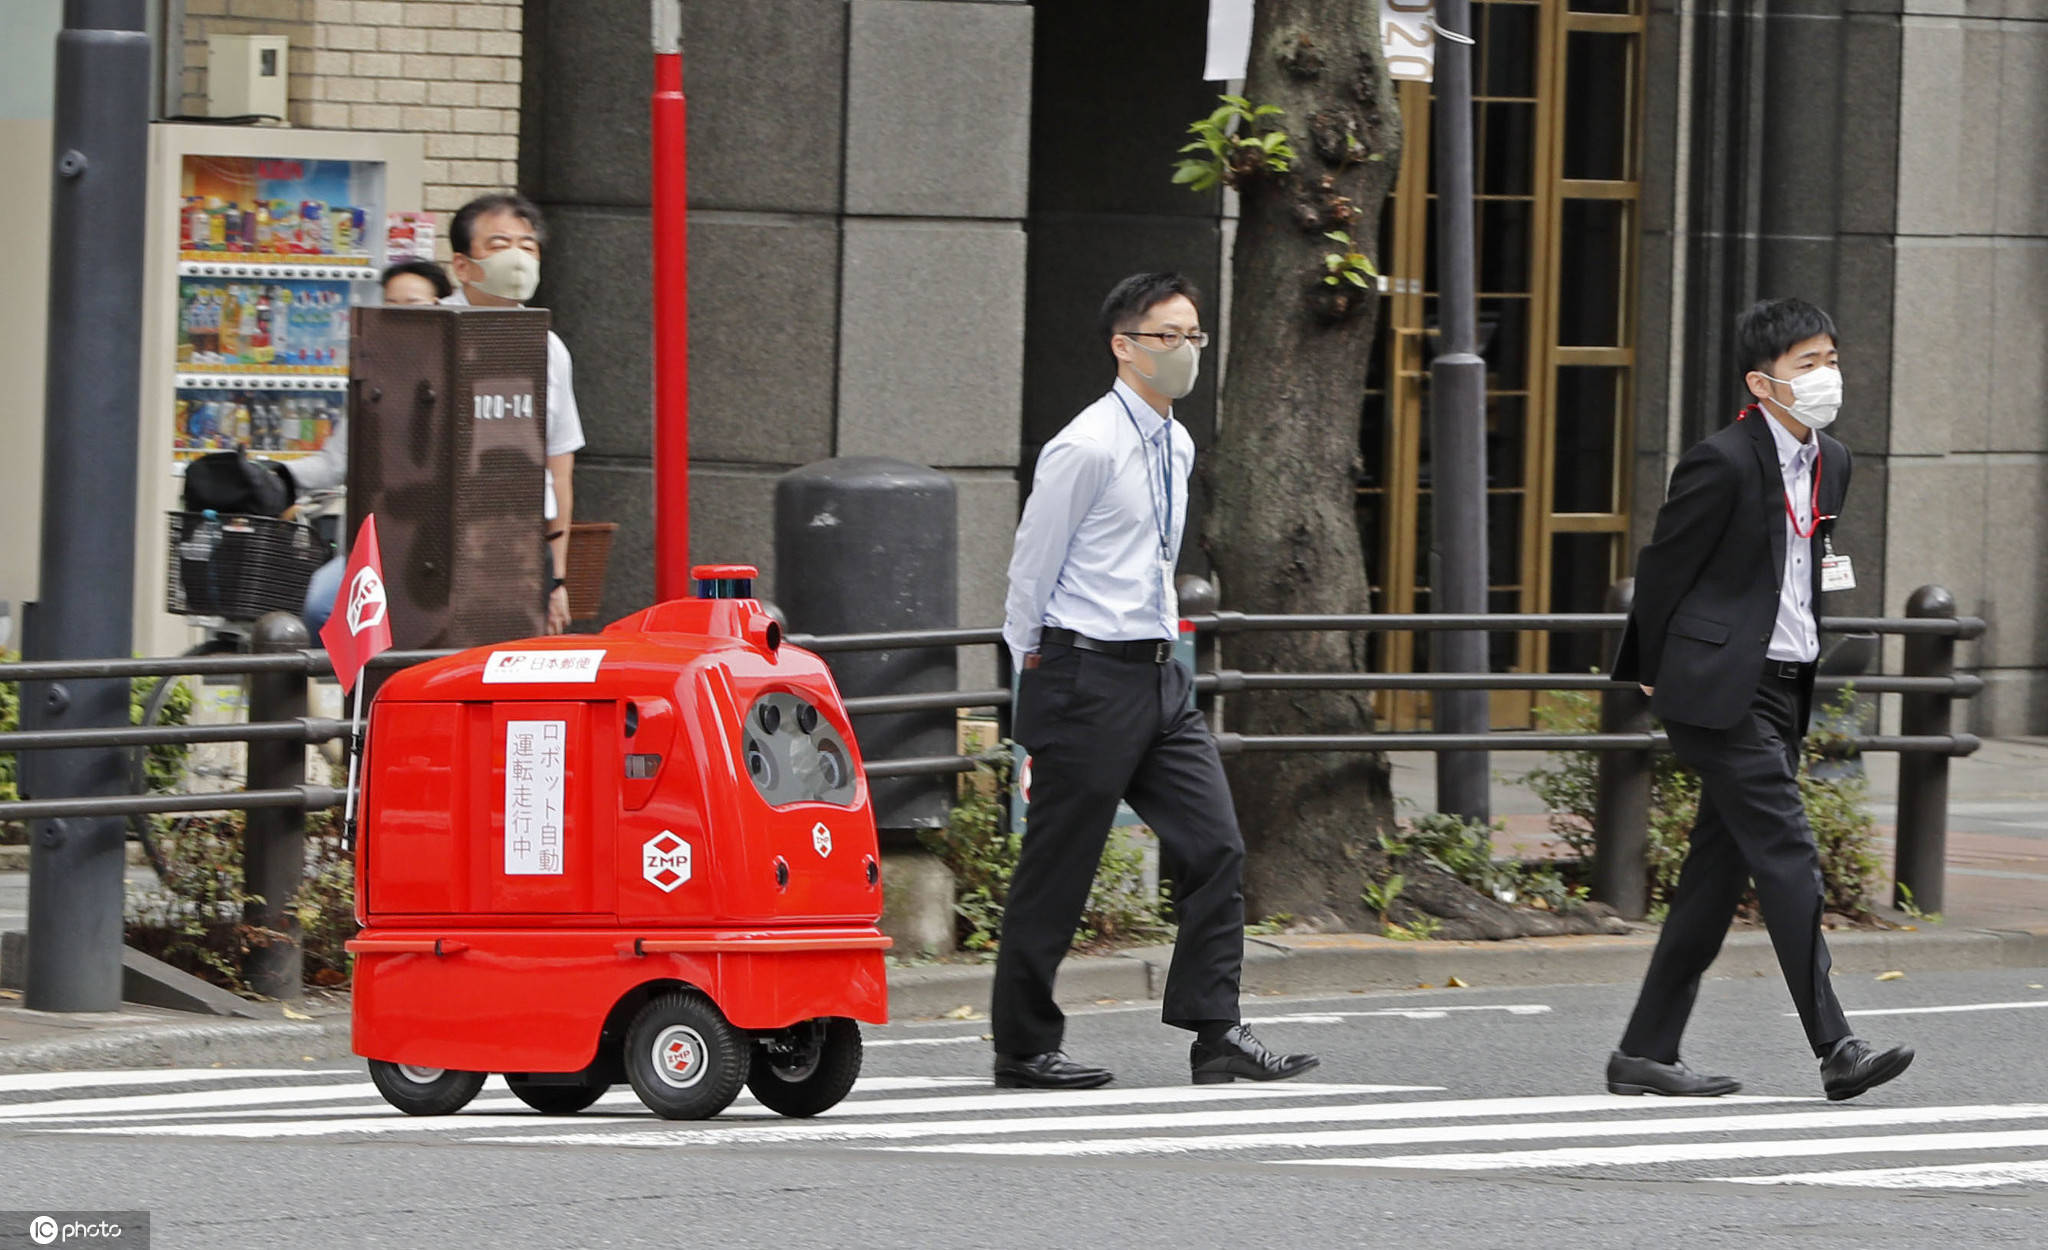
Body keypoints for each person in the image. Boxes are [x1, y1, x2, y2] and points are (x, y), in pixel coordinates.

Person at [992, 272, 1319, 1090]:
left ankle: (1217, 1033)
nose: (1184, 353)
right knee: (1059, 868)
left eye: (1194, 337)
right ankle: (1023, 1047)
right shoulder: (1086, 445)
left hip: (1159, 675)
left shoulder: (1175, 441)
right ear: (1123, 345)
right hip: (1085, 674)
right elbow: (1031, 570)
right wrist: (1033, 675)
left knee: (1216, 848)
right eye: (1167, 337)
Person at [1608, 297, 1913, 1103]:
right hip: (1718, 690)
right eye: (1806, 365)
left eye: (1831, 360)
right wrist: (1647, 668)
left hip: (1783, 684)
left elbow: (1806, 569)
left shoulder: (1832, 462)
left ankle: (1644, 1050)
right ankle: (1835, 1046)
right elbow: (1665, 565)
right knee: (1789, 855)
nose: (1826, 377)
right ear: (1761, 382)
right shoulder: (1722, 460)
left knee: (1715, 878)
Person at [441, 193, 586, 635]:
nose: (517, 257)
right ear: (462, 266)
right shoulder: (426, 332)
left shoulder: (549, 347)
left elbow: (559, 468)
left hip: (522, 544)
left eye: (528, 246)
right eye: (499, 244)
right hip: (442, 541)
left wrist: (557, 578)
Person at [299, 259, 456, 629]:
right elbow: (334, 462)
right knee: (322, 606)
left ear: (441, 308)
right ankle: (358, 687)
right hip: (373, 544)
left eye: (413, 306)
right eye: (390, 306)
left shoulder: (458, 372)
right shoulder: (372, 376)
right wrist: (272, 474)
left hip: (437, 544)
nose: (400, 317)